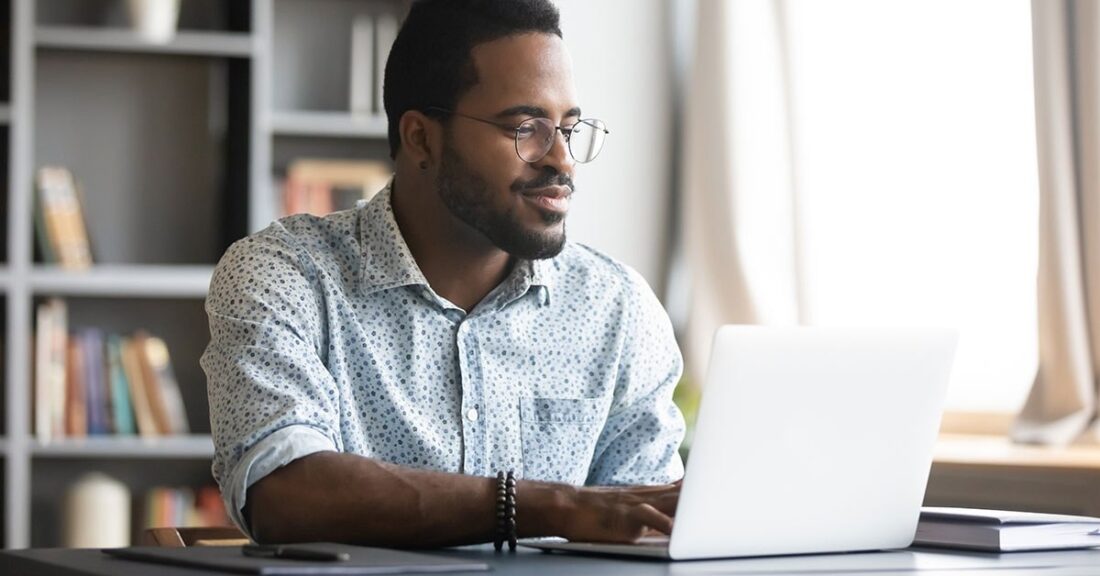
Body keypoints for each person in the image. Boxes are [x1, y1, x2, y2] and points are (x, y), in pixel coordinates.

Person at [201, 0, 684, 547]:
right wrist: (551, 507)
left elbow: (648, 524)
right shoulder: (286, 276)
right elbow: (286, 494)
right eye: (525, 128)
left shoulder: (617, 307)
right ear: (421, 138)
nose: (562, 161)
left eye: (569, 130)